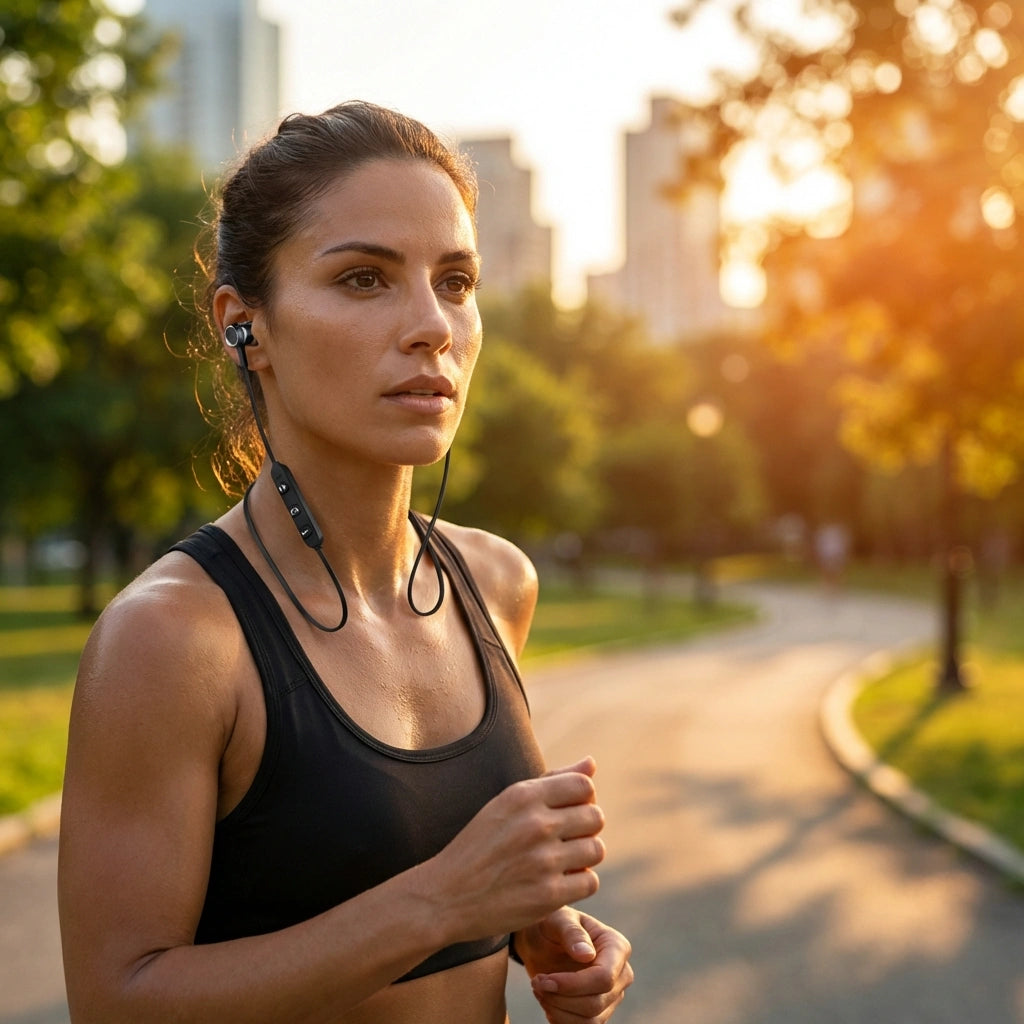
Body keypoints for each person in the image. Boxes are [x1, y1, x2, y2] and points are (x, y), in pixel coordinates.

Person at [57, 100, 633, 1023]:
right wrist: (444, 901)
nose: (431, 327)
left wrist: (539, 924)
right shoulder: (171, 640)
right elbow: (116, 1001)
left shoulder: (495, 583)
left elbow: (410, 867)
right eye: (365, 280)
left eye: (455, 281)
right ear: (246, 326)